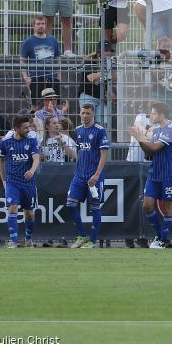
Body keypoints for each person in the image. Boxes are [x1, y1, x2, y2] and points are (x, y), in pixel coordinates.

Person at [131, 102, 172, 249]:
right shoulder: (157, 130)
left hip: (168, 174)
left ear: (161, 114)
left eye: (153, 113)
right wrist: (140, 139)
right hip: (154, 174)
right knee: (147, 205)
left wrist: (139, 136)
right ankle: (160, 236)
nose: (151, 116)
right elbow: (149, 152)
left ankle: (163, 240)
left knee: (168, 207)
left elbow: (154, 147)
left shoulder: (171, 130)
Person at [62, 104, 110, 249]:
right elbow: (79, 154)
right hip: (79, 175)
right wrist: (62, 142)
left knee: (95, 207)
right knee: (70, 204)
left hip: (94, 176)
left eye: (87, 113)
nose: (84, 116)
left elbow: (104, 155)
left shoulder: (100, 131)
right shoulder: (78, 130)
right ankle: (82, 235)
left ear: (93, 114)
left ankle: (92, 241)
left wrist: (97, 175)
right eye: (82, 113)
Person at [0, 115, 41, 248]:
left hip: (28, 183)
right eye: (25, 127)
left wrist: (32, 171)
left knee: (29, 213)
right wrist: (4, 179)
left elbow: (36, 159)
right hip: (12, 182)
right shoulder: (5, 142)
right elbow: (0, 160)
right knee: (12, 208)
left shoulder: (32, 140)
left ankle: (28, 239)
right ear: (16, 129)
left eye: (29, 126)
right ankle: (13, 241)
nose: (29, 129)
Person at [20, 15, 62, 113]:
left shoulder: (53, 40)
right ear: (33, 26)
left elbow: (58, 58)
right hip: (35, 78)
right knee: (34, 105)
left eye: (43, 24)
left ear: (46, 25)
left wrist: (59, 76)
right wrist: (26, 78)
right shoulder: (28, 42)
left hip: (51, 77)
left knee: (54, 105)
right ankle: (34, 125)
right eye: (38, 24)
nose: (41, 26)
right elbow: (22, 60)